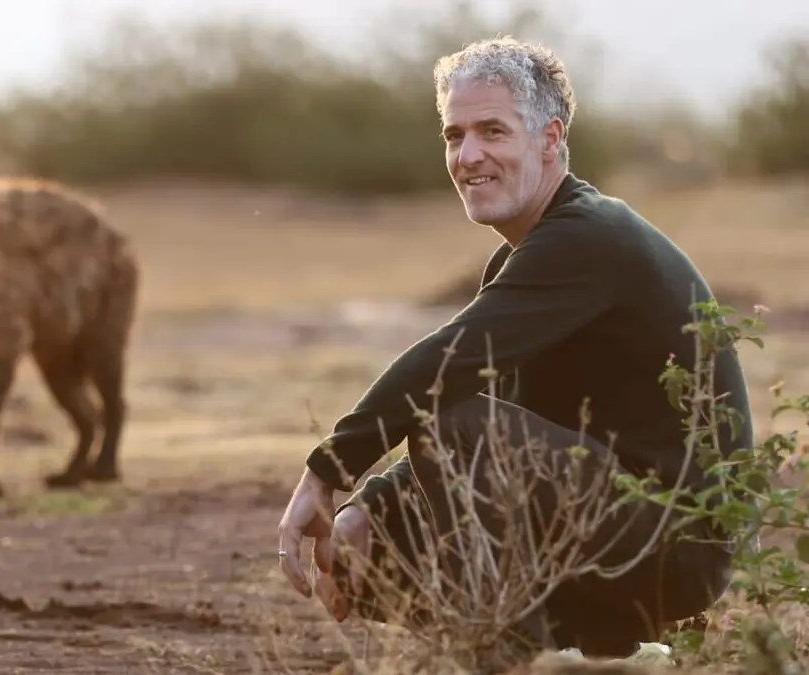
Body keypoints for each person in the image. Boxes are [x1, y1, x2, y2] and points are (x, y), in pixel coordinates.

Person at [275, 36, 752, 659]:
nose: (468, 155)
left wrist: (328, 470)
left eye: (493, 131)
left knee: (440, 418)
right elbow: (491, 408)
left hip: (674, 549)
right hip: (625, 527)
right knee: (372, 542)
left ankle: (518, 660)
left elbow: (448, 370)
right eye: (454, 135)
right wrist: (366, 507)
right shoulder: (526, 256)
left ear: (550, 139)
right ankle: (600, 653)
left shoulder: (588, 238)